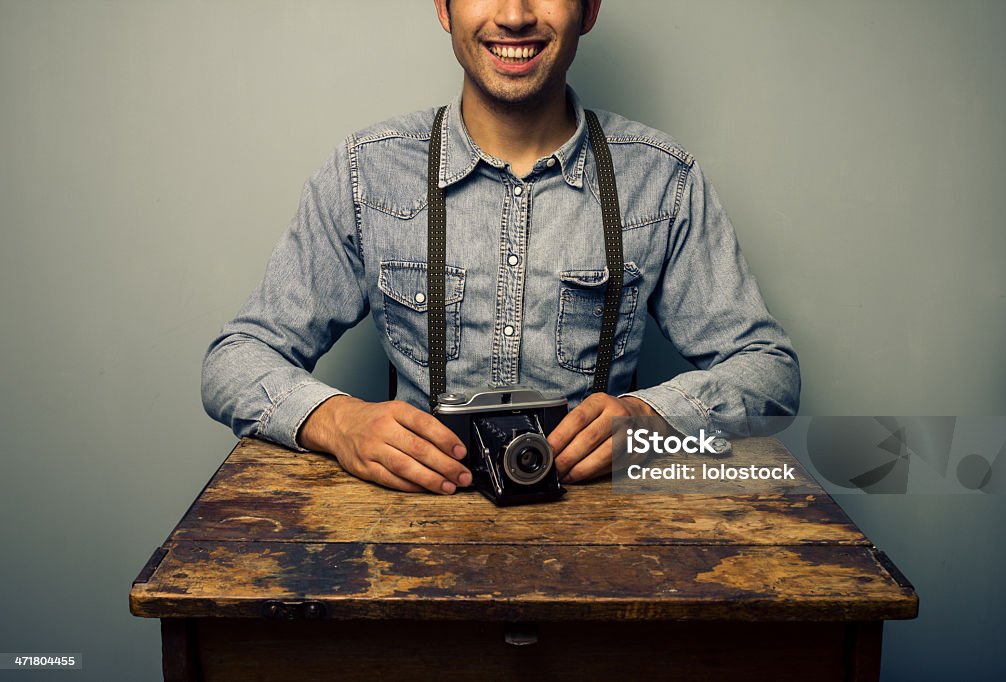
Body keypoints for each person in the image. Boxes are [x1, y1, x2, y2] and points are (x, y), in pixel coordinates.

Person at [201, 0, 800, 496]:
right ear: (444, 7)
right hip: (408, 532)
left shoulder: (661, 177)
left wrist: (653, 421)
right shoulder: (367, 171)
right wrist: (336, 421)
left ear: (589, 10)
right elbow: (236, 359)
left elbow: (770, 373)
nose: (514, 16)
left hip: (605, 537)